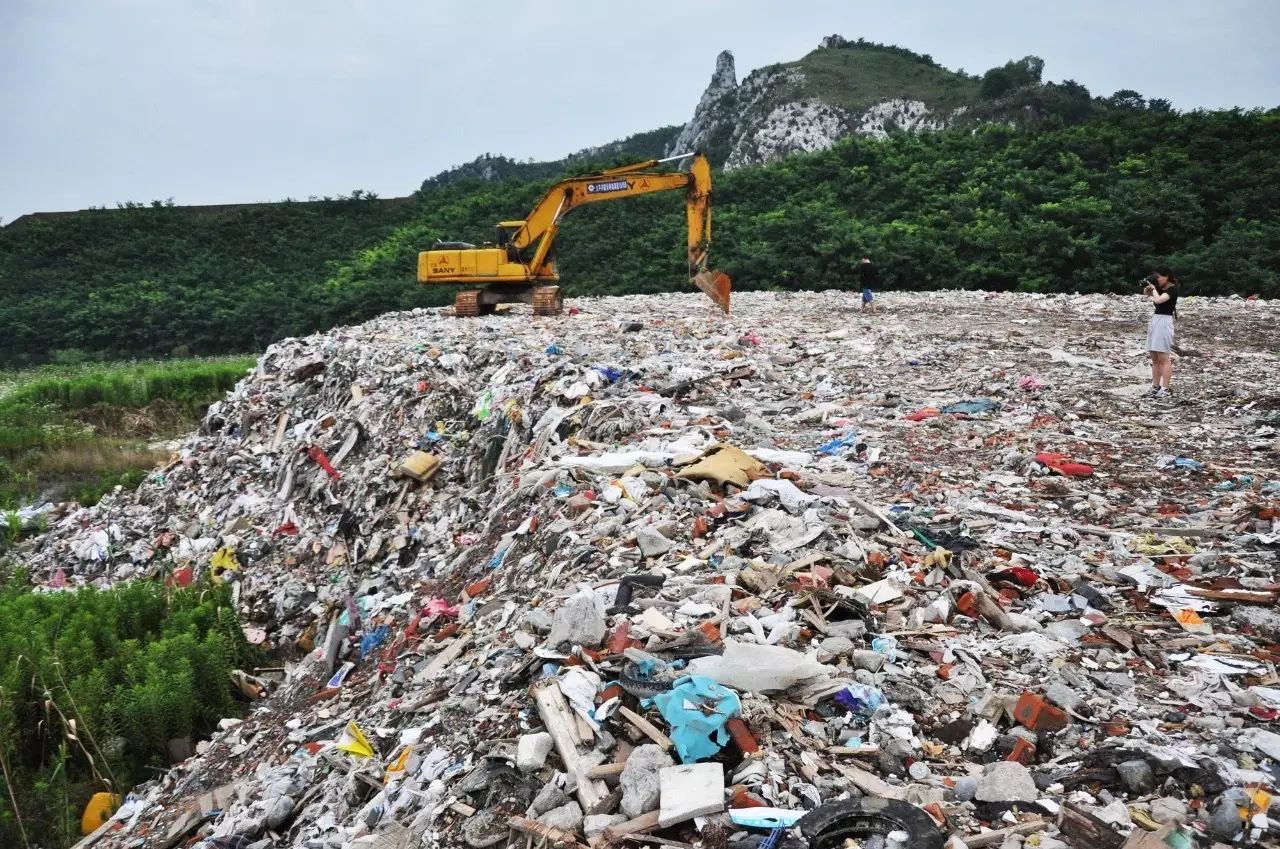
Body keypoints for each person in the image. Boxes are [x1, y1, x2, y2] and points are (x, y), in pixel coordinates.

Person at [1143, 267, 1178, 398]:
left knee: (1164, 357)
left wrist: (1154, 291)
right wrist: (1149, 289)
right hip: (1156, 320)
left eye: (1159, 277)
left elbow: (1158, 300)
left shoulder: (1172, 289)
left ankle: (1166, 387)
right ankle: (1155, 386)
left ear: (1166, 276)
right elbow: (1148, 295)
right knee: (1155, 357)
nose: (1157, 280)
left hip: (1164, 321)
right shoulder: (1161, 289)